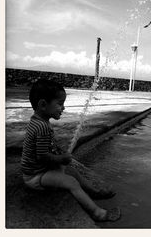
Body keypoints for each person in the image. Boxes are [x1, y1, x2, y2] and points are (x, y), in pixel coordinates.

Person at [21, 79, 121, 222]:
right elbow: (42, 156)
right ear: (43, 104)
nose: (64, 108)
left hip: (39, 170)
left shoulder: (38, 121)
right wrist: (61, 159)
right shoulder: (42, 127)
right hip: (35, 176)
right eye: (60, 104)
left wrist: (58, 152)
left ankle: (93, 192)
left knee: (72, 171)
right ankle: (97, 213)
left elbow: (46, 146)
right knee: (70, 182)